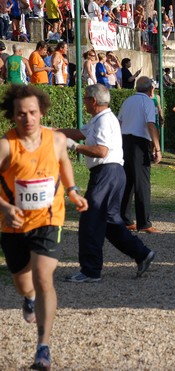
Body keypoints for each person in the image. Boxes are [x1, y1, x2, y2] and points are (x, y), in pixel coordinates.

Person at [0, 85, 88, 370]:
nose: (28, 119)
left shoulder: (57, 140)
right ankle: (29, 299)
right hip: (13, 223)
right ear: (13, 116)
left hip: (49, 219)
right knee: (24, 284)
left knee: (42, 276)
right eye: (21, 114)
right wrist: (4, 207)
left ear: (42, 112)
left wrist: (72, 190)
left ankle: (43, 348)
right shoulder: (5, 146)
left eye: (33, 113)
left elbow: (63, 163)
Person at [58, 85, 155, 282]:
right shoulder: (100, 119)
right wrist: (55, 132)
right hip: (114, 173)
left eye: (85, 98)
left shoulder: (103, 121)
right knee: (111, 222)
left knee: (90, 219)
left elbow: (101, 151)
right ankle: (142, 253)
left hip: (106, 172)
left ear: (93, 101)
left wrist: (73, 146)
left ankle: (90, 271)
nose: (83, 101)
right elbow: (80, 132)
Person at [118, 77, 162, 233]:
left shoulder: (127, 101)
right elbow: (150, 125)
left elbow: (120, 122)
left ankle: (125, 219)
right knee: (142, 184)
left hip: (124, 141)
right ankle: (144, 223)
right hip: (139, 144)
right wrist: (157, 148)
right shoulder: (148, 102)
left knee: (127, 182)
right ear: (151, 89)